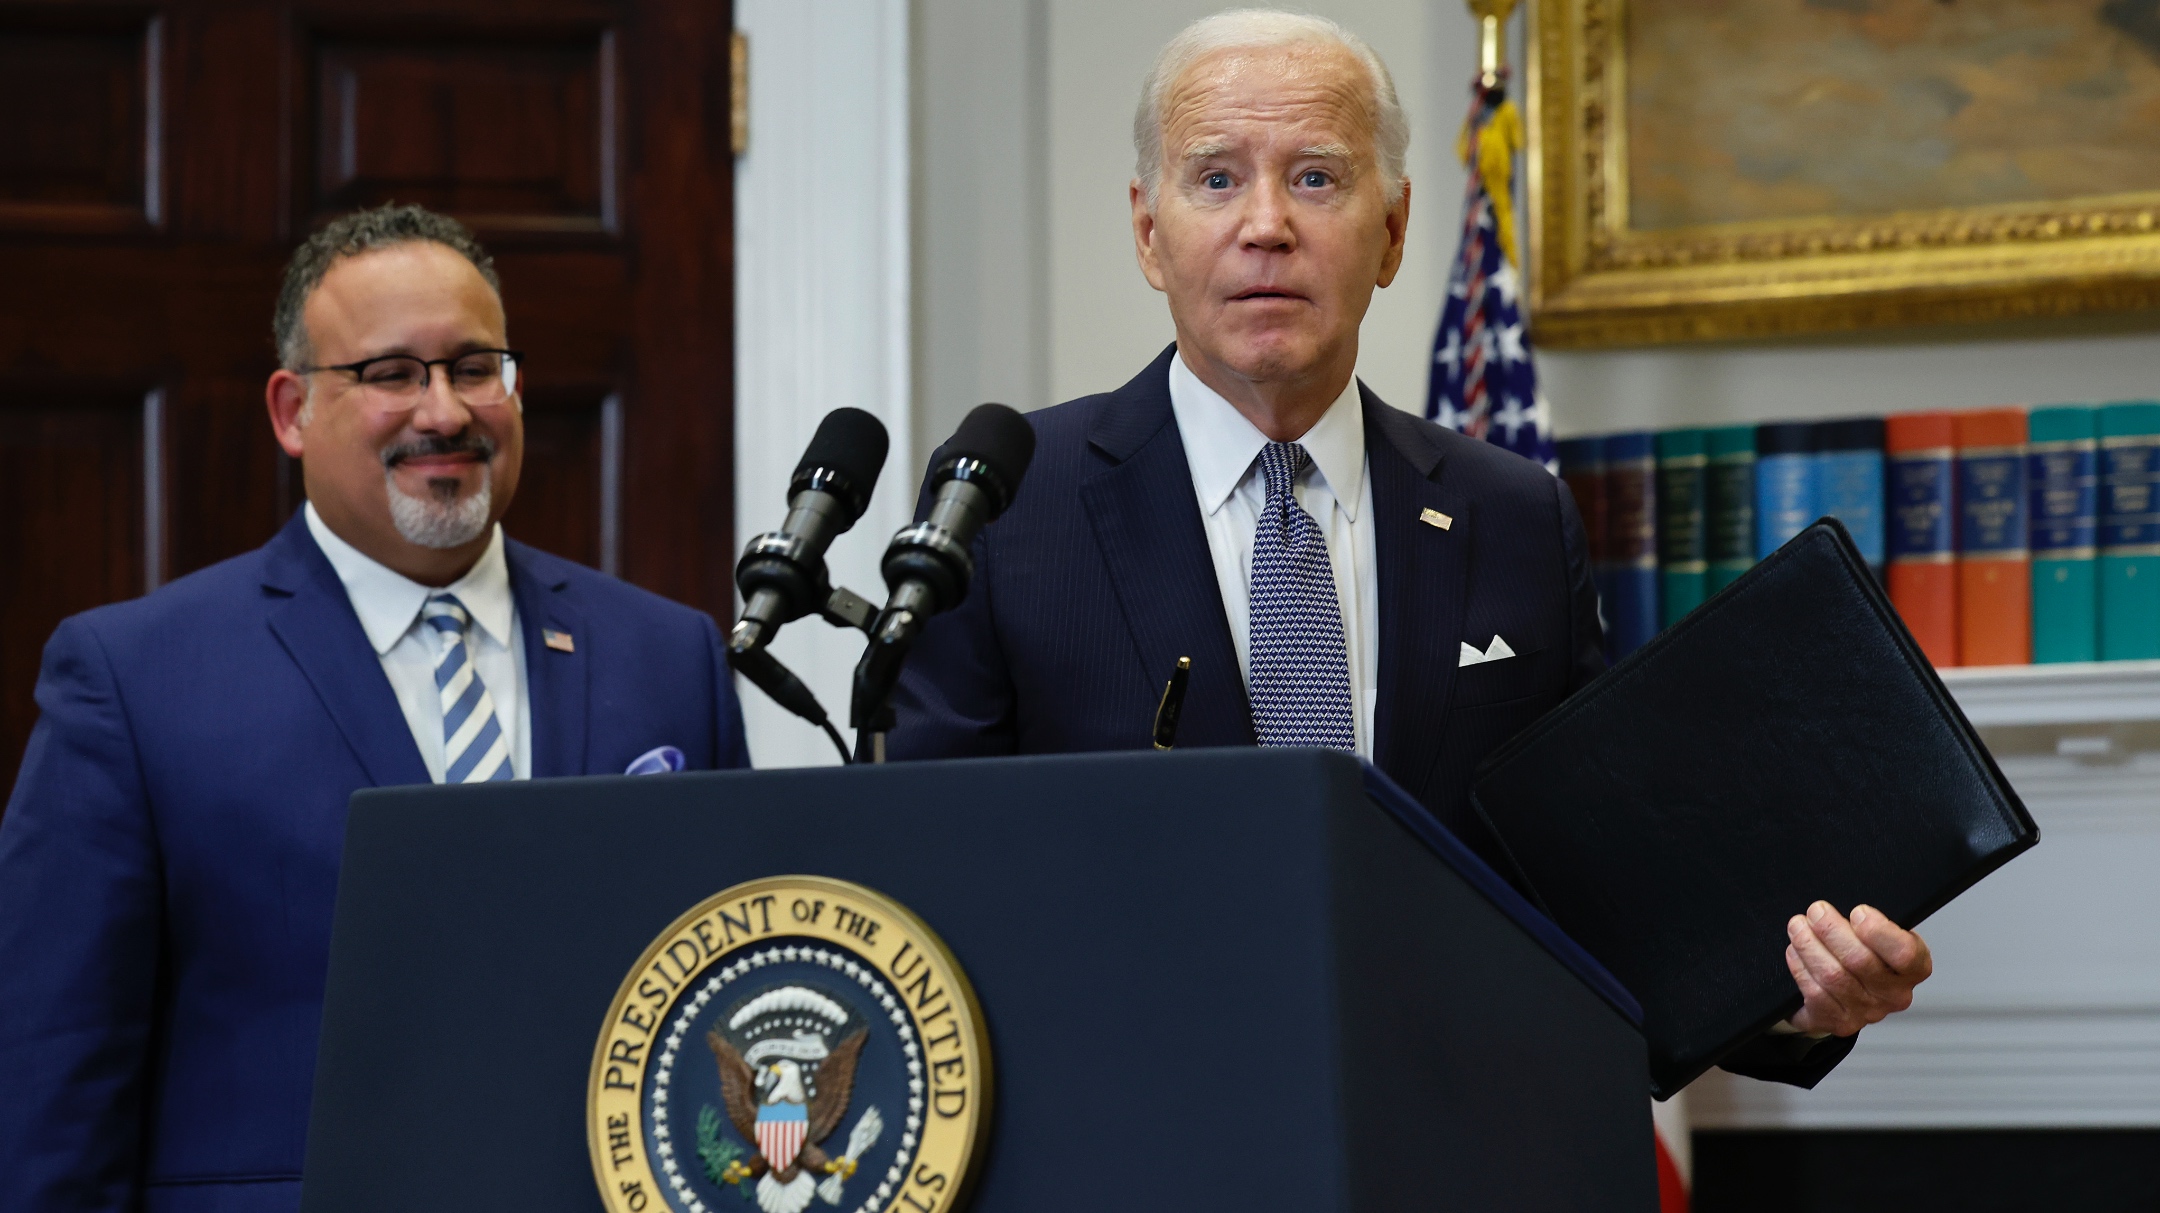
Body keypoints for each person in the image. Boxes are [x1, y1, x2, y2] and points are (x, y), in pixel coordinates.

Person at [889, 11, 1929, 1084]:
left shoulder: (1514, 514)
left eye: (1317, 179)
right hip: (1135, 1125)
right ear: (1148, 233)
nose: (1266, 226)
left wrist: (1797, 998)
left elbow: (1600, 894)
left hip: (1445, 1134)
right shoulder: (1012, 505)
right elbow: (936, 883)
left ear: (1392, 231)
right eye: (1214, 180)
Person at [0, 203, 750, 1211]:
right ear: (291, 410)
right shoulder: (136, 680)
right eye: (391, 374)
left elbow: (729, 994)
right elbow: (53, 1076)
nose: (444, 411)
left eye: (475, 367)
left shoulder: (666, 657)